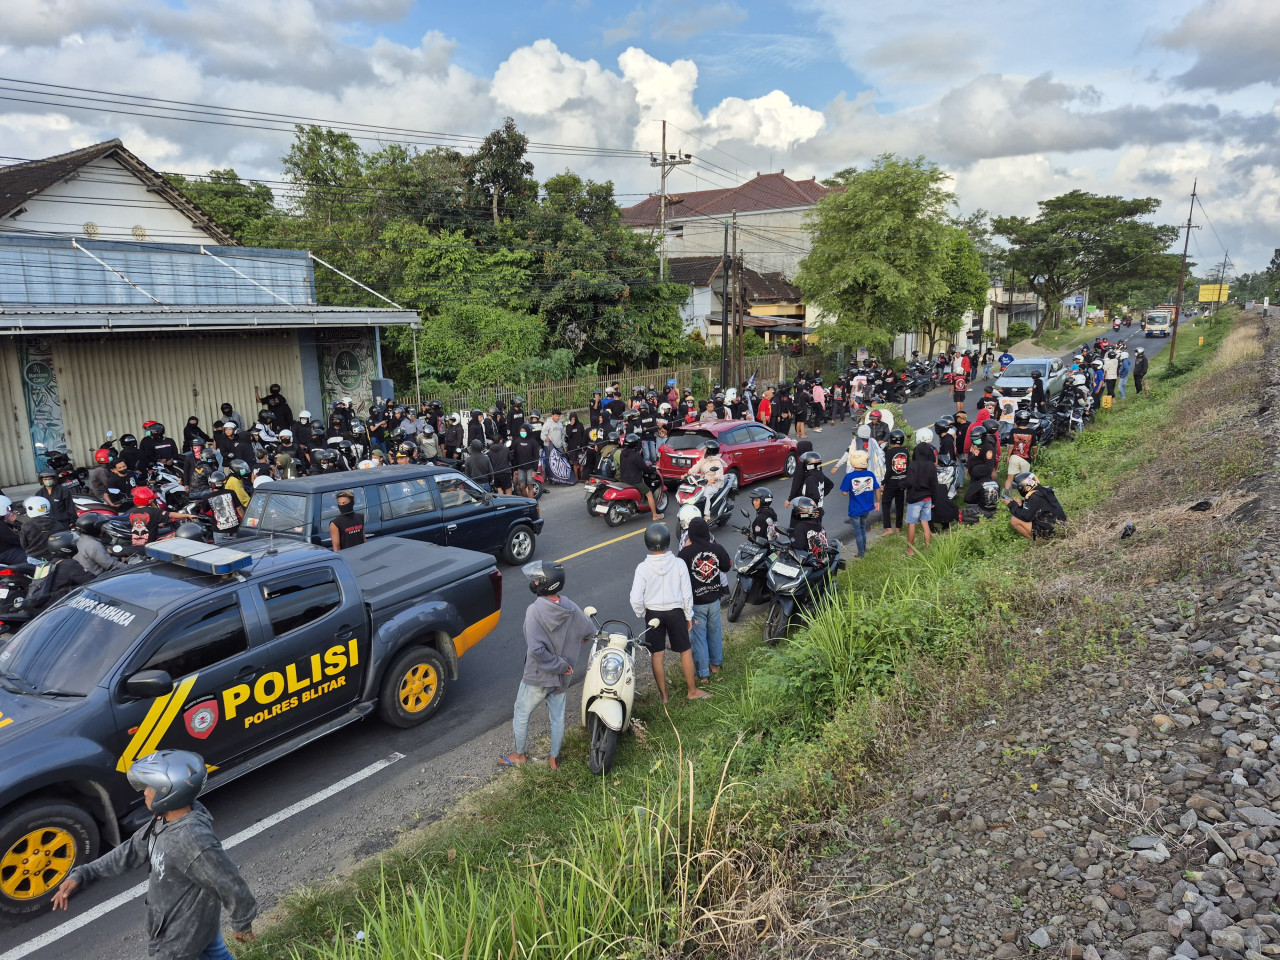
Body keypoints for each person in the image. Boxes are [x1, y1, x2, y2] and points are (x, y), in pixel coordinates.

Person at [52, 749, 257, 959]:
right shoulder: (164, 820)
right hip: (192, 917)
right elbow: (130, 850)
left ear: (169, 792)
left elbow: (228, 880)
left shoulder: (191, 839)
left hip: (182, 934)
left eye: (150, 787)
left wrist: (242, 922)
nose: (145, 793)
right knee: (215, 952)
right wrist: (84, 873)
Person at [499, 561, 593, 771]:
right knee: (557, 718)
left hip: (538, 676)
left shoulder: (534, 611)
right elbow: (589, 630)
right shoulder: (571, 606)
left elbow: (537, 650)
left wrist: (558, 665)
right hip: (562, 676)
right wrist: (578, 642)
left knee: (522, 713)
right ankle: (554, 759)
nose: (533, 582)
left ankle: (520, 755)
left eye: (536, 580)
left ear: (544, 584)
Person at [629, 523, 709, 704]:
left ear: (647, 543)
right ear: (667, 541)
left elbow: (635, 598)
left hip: (653, 614)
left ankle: (664, 696)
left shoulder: (642, 567)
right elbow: (687, 593)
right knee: (685, 651)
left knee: (658, 654)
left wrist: (642, 613)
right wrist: (688, 615)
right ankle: (692, 690)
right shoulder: (679, 563)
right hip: (676, 612)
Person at [678, 517, 731, 685]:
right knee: (715, 632)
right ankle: (715, 665)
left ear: (690, 534)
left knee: (699, 638)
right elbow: (727, 566)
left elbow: (679, 575)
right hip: (715, 601)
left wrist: (686, 548)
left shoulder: (685, 553)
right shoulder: (717, 548)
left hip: (696, 604)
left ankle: (703, 674)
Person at [839, 449, 880, 558]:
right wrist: (878, 502)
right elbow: (877, 488)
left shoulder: (849, 476)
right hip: (866, 508)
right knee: (863, 529)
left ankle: (861, 554)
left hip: (855, 509)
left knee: (858, 532)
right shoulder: (870, 474)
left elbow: (844, 492)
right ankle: (863, 550)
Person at [128, 487, 198, 546]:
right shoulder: (154, 511)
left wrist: (157, 524)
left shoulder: (130, 512)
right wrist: (188, 515)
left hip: (135, 544)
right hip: (150, 545)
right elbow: (172, 514)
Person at [1007, 472, 1067, 540]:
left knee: (1014, 520)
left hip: (1052, 530)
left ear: (1026, 486)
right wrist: (1021, 504)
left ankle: (1038, 542)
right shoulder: (1043, 490)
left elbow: (1026, 517)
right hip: (1060, 526)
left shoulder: (1034, 496)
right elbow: (1035, 507)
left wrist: (1011, 505)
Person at [620, 434, 663, 521]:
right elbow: (645, 468)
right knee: (649, 494)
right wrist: (653, 468)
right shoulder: (636, 455)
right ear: (635, 444)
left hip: (624, 480)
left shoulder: (622, 453)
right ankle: (655, 515)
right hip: (635, 481)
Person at [904, 443, 935, 557]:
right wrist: (934, 500)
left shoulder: (913, 465)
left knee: (912, 524)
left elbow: (909, 482)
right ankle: (927, 548)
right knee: (925, 523)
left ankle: (910, 551)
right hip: (927, 498)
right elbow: (934, 485)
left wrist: (901, 484)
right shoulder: (932, 466)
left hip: (915, 499)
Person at [684, 440, 728, 521]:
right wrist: (688, 473)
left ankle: (707, 514)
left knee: (706, 493)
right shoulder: (704, 459)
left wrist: (712, 479)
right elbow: (696, 467)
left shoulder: (717, 462)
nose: (703, 450)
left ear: (709, 451)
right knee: (695, 491)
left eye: (705, 449)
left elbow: (719, 475)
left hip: (714, 484)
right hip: (704, 482)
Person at [880, 429, 908, 535]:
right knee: (899, 504)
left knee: (886, 503)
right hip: (902, 481)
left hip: (891, 482)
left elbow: (889, 470)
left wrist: (883, 483)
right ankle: (898, 527)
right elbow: (907, 466)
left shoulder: (889, 452)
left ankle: (888, 528)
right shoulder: (905, 451)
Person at [20, 496, 64, 561]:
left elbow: (24, 545)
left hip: (35, 558)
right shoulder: (57, 524)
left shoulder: (26, 526)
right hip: (54, 558)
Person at [1005, 409, 1038, 489]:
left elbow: (1011, 445)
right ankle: (1024, 494)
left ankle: (1006, 494)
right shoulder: (1032, 431)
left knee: (1010, 478)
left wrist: (1008, 456)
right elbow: (1034, 447)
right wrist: (1034, 454)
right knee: (1025, 479)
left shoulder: (1013, 431)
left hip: (1014, 457)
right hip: (1026, 458)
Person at [511, 424, 541, 499]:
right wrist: (515, 469)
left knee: (530, 486)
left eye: (524, 431)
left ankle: (531, 503)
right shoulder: (517, 441)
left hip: (530, 468)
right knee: (521, 486)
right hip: (520, 468)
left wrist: (535, 470)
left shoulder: (533, 442)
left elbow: (536, 456)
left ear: (527, 431)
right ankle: (528, 500)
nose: (522, 432)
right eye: (521, 431)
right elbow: (514, 456)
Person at [0, 496, 25, 565]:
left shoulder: (2, 522)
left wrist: (11, 522)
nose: (10, 511)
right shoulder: (1, 525)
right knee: (32, 559)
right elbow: (17, 540)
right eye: (8, 509)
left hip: (4, 550)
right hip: (5, 552)